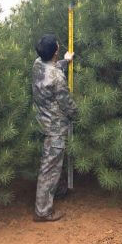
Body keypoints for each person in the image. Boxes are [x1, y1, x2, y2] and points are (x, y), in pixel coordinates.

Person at [32, 33, 77, 222]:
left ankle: (56, 190)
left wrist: (65, 62)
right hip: (55, 126)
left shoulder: (37, 64)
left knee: (53, 161)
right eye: (58, 46)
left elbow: (50, 70)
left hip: (42, 119)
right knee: (50, 166)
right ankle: (43, 211)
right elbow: (66, 103)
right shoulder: (57, 78)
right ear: (56, 51)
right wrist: (77, 114)